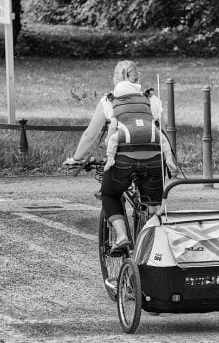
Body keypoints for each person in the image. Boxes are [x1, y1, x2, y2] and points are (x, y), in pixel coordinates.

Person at [64, 60, 176, 254]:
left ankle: (122, 236)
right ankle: (152, 247)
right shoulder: (152, 99)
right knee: (153, 204)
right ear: (137, 79)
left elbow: (90, 135)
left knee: (109, 193)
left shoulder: (109, 99)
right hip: (154, 159)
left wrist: (77, 158)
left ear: (115, 79)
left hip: (123, 160)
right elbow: (163, 133)